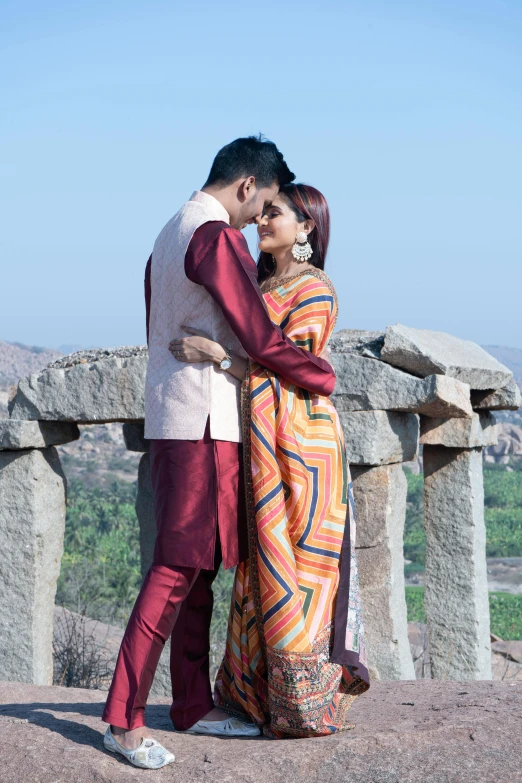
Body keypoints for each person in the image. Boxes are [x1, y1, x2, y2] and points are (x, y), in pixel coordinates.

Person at [101, 137, 337, 769]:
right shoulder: (214, 236)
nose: (258, 218)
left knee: (199, 569)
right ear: (245, 185)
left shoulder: (167, 231)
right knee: (177, 570)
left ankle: (190, 705)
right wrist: (319, 376)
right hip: (201, 420)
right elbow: (257, 332)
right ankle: (123, 720)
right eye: (260, 203)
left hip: (177, 413)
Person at [174, 183, 370, 739]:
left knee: (300, 569)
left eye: (274, 213)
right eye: (260, 212)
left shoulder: (313, 291)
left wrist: (216, 356)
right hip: (267, 445)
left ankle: (303, 703)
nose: (261, 220)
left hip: (304, 448)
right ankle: (258, 695)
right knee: (264, 565)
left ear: (306, 227)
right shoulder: (263, 285)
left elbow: (293, 373)